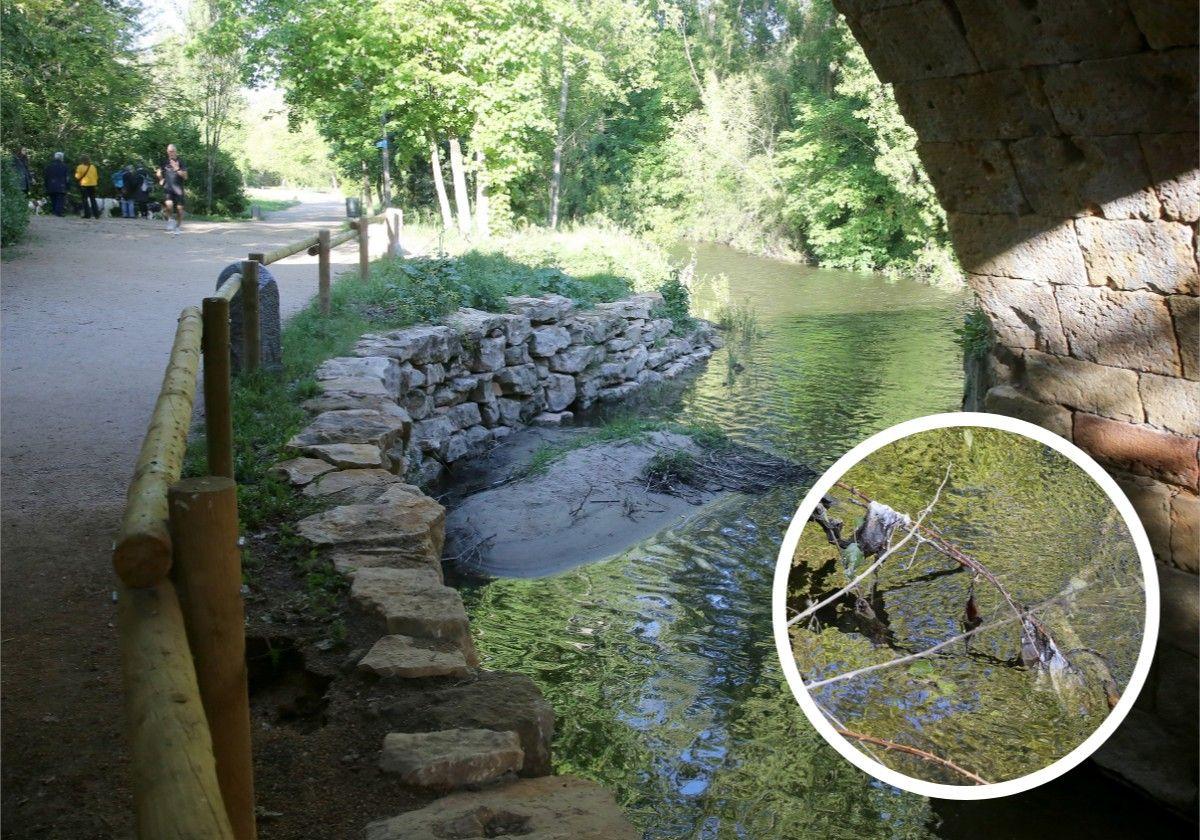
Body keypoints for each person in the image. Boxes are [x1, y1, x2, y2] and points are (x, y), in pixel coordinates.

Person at [156, 144, 187, 234]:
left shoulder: (181, 162)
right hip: (168, 188)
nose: (171, 153)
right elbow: (158, 171)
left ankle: (177, 227)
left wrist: (177, 168)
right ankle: (170, 220)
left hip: (178, 188)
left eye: (172, 151)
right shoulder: (165, 162)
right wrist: (161, 179)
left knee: (180, 210)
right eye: (169, 151)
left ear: (176, 151)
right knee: (168, 206)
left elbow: (185, 177)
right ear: (167, 152)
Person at [43, 152, 69, 217]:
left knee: (53, 199)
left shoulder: (49, 166)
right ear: (62, 158)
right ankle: (58, 213)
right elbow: (67, 177)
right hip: (61, 185)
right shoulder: (64, 166)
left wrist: (46, 185)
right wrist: (68, 186)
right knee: (60, 199)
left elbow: (46, 176)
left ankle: (54, 212)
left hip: (51, 185)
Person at [74, 154, 100, 219]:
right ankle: (96, 214)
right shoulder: (93, 167)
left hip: (84, 185)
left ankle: (87, 214)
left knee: (85, 200)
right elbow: (96, 176)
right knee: (93, 199)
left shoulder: (80, 167)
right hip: (93, 185)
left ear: (82, 160)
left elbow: (77, 176)